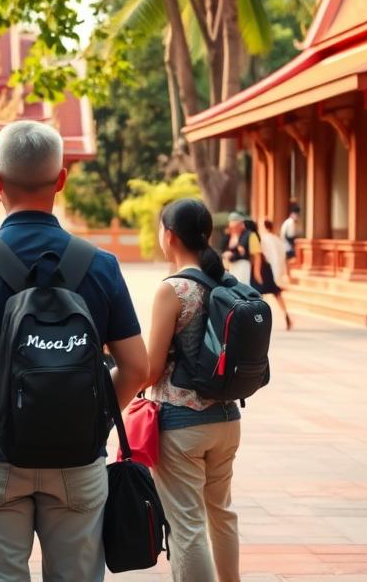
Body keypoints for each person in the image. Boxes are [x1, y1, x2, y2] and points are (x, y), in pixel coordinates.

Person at [0, 121, 149, 582]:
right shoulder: (99, 266)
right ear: (62, 179)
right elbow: (137, 367)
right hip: (77, 458)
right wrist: (91, 415)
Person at [146, 198, 242, 582]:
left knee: (186, 526)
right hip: (227, 419)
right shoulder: (226, 282)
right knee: (222, 513)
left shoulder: (174, 289)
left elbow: (151, 369)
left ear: (168, 236)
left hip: (182, 424)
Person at [249, 220, 292, 331]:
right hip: (269, 269)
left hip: (262, 268)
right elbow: (281, 256)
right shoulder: (277, 239)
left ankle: (260, 319)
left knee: (258, 294)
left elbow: (261, 256)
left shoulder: (262, 239)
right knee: (276, 292)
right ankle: (285, 314)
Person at [220, 212, 258, 284]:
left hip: (243, 264)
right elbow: (223, 248)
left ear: (241, 225)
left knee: (242, 284)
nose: (234, 229)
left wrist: (256, 271)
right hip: (230, 265)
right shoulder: (228, 236)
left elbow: (254, 255)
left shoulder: (248, 235)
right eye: (232, 227)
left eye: (236, 226)